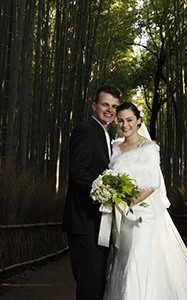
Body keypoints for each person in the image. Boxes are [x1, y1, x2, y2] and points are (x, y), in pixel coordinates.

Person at [104, 102, 187, 300]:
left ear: (139, 121)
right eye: (121, 120)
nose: (125, 125)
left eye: (130, 120)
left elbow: (152, 184)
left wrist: (127, 203)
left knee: (137, 259)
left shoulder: (148, 147)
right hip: (121, 217)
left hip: (142, 214)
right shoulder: (114, 146)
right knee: (123, 259)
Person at [62, 85, 121, 300]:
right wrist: (105, 194)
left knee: (96, 283)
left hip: (99, 222)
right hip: (85, 221)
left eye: (114, 106)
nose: (110, 110)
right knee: (90, 284)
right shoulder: (85, 130)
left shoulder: (105, 134)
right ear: (94, 106)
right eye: (105, 104)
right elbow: (78, 173)